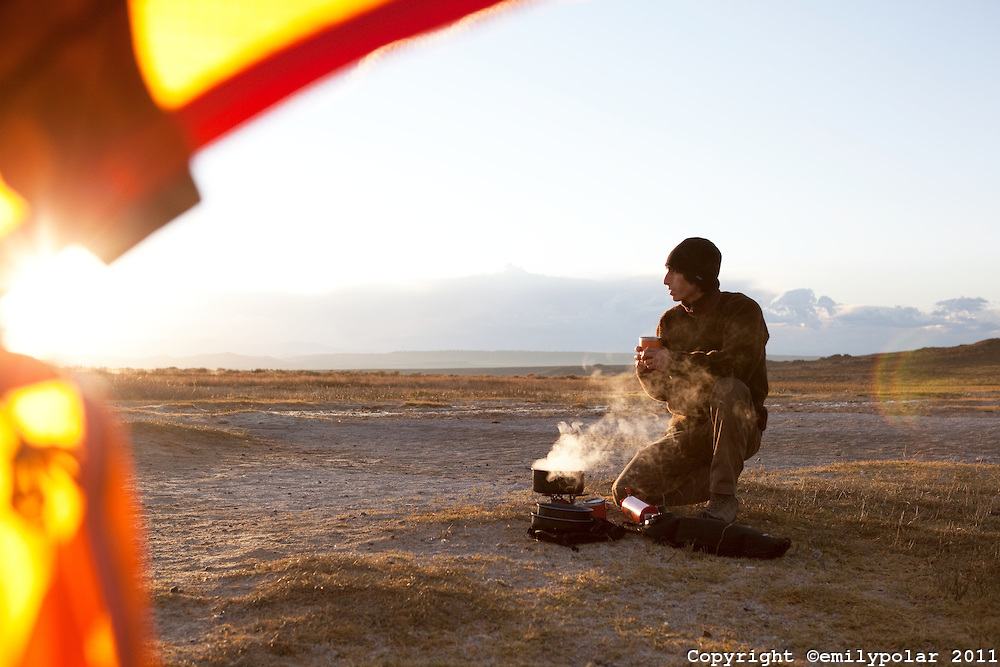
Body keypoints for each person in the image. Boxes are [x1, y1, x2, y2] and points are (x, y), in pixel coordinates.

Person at [612, 237, 769, 524]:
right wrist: (648, 370)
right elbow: (665, 393)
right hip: (687, 429)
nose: (665, 280)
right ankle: (711, 481)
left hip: (737, 425)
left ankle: (723, 498)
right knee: (626, 491)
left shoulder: (742, 310)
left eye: (673, 271)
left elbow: (738, 367)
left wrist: (675, 360)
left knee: (729, 388)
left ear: (697, 275)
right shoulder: (670, 321)